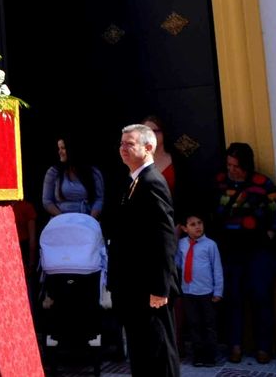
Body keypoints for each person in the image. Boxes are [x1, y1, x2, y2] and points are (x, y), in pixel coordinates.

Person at [107, 123, 180, 376]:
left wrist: (160, 287)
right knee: (141, 352)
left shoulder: (152, 182)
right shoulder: (133, 181)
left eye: (130, 144)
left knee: (159, 353)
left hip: (150, 288)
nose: (122, 149)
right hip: (132, 286)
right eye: (121, 143)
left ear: (148, 148)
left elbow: (164, 239)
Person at [212, 141, 276, 363]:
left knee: (261, 296)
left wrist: (268, 235)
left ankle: (264, 347)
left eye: (236, 166)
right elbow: (213, 214)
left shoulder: (263, 183)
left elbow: (275, 215)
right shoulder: (220, 183)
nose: (232, 170)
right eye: (229, 164)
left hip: (258, 250)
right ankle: (235, 346)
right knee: (233, 298)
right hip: (229, 249)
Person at [175, 214, 222, 367]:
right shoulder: (181, 244)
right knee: (194, 324)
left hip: (206, 292)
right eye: (193, 224)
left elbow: (217, 269)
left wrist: (218, 291)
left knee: (209, 324)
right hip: (188, 291)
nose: (197, 227)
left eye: (200, 223)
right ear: (184, 228)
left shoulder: (210, 245)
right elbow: (178, 263)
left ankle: (210, 355)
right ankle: (198, 355)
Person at [43, 136, 104, 219]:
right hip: (60, 220)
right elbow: (47, 201)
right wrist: (62, 218)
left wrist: (91, 219)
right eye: (59, 148)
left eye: (63, 148)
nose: (59, 152)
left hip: (85, 219)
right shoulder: (53, 172)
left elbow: (99, 199)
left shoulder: (93, 173)